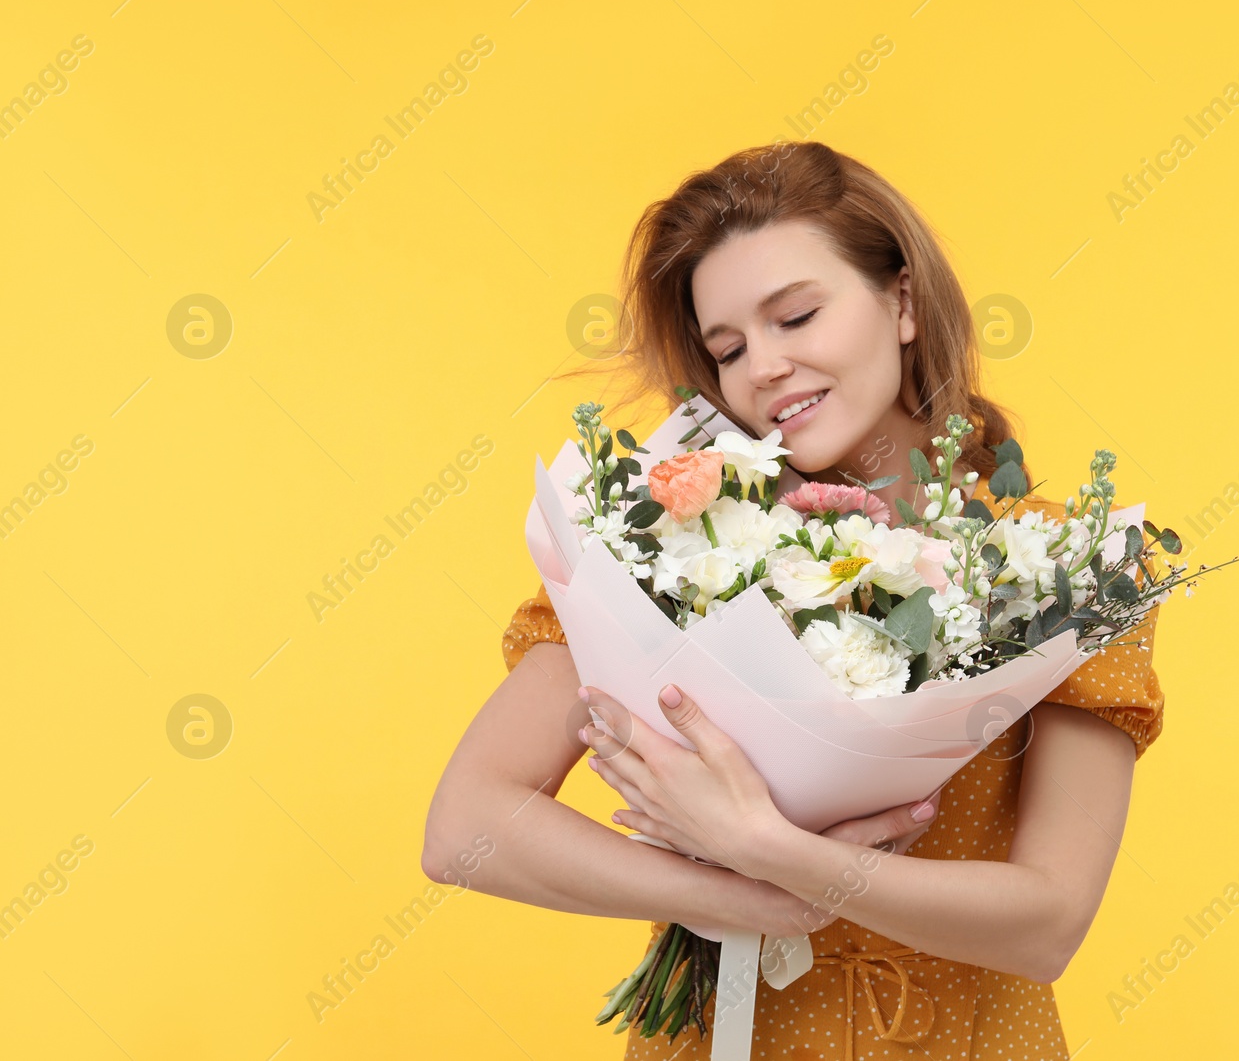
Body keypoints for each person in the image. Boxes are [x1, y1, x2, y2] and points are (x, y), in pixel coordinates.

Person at [422, 140, 1165, 1060]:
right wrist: (743, 895)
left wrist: (771, 848)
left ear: (899, 301)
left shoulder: (1063, 568)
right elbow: (466, 827)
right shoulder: (668, 537)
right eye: (728, 348)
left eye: (797, 316)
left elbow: (1048, 919)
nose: (762, 368)